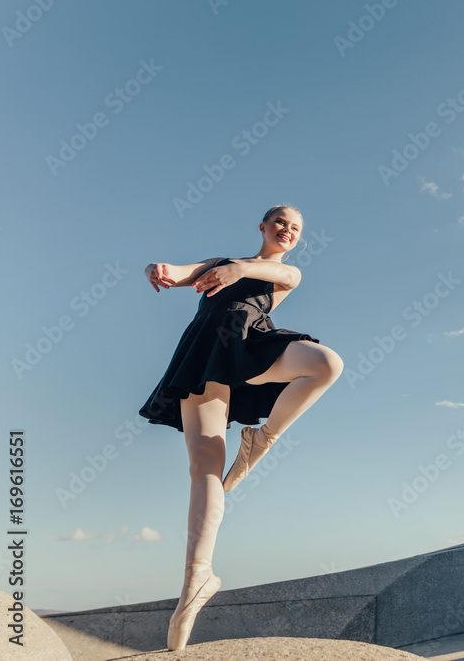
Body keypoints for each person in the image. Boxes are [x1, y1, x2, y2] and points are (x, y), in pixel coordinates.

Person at [137, 205, 343, 651]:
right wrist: (161, 269)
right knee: (205, 465)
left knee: (327, 363)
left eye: (295, 227)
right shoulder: (220, 263)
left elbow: (276, 277)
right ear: (263, 226)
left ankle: (262, 437)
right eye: (280, 222)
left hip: (252, 345)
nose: (287, 230)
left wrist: (239, 271)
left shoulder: (286, 272)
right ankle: (197, 577)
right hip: (204, 353)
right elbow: (182, 271)